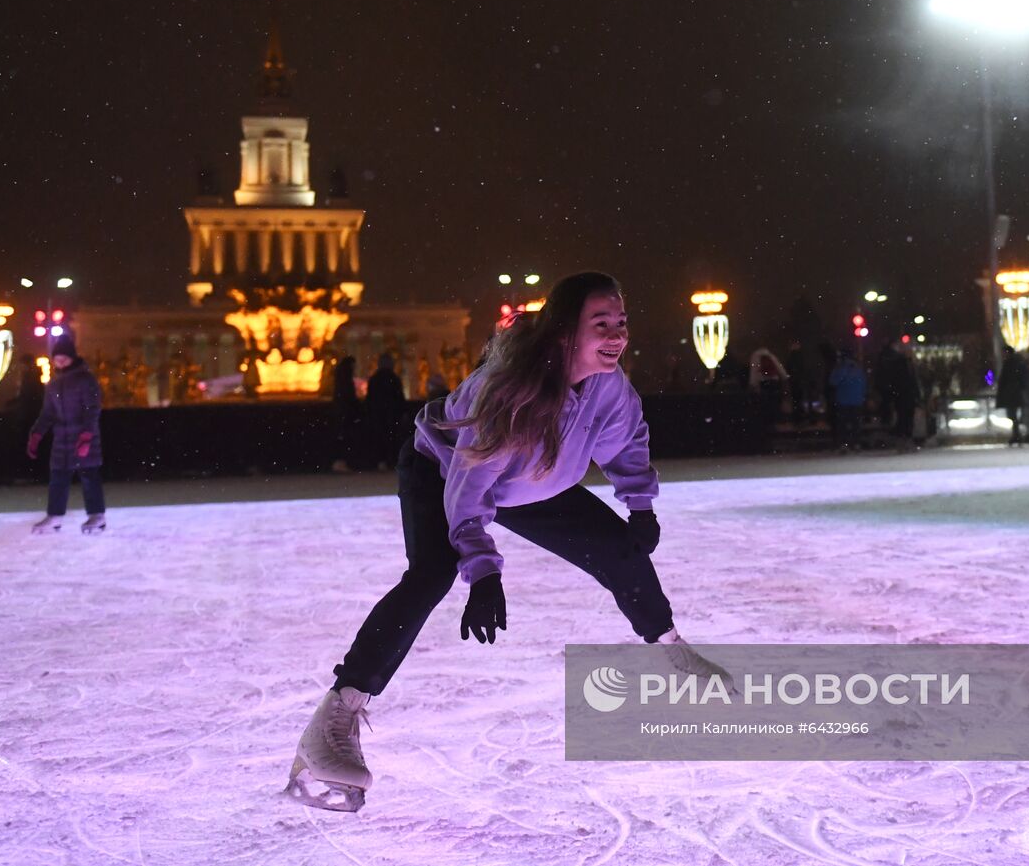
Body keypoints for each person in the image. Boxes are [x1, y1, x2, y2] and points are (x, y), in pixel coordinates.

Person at [286, 272, 733, 813]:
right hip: (445, 468)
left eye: (621, 322)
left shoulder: (610, 385)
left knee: (620, 550)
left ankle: (671, 650)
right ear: (566, 331)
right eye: (601, 324)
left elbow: (627, 441)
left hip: (536, 481)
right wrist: (484, 571)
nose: (616, 334)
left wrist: (640, 506)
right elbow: (469, 491)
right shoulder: (513, 393)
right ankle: (336, 714)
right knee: (432, 573)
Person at [27, 334, 106, 534]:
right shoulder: (53, 384)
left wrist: (87, 435)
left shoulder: (86, 380)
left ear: (72, 358)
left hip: (82, 438)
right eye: (57, 358)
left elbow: (93, 408)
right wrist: (37, 434)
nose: (60, 361)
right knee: (58, 478)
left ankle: (97, 516)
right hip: (61, 440)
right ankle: (55, 516)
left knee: (89, 476)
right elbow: (48, 413)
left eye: (64, 357)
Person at [364, 353, 407, 470]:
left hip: (378, 414)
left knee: (379, 438)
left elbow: (369, 398)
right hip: (391, 414)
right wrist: (402, 411)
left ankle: (381, 461)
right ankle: (391, 460)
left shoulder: (374, 379)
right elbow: (399, 398)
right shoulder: (394, 378)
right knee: (392, 438)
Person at [829, 348, 866, 452]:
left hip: (843, 400)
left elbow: (833, 382)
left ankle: (843, 444)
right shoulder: (858, 369)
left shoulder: (840, 369)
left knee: (842, 424)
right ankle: (856, 443)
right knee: (856, 424)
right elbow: (863, 384)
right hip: (857, 400)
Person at [995, 345, 1029, 447]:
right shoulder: (1014, 363)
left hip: (1012, 393)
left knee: (1012, 415)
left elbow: (1005, 379)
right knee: (1013, 415)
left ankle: (1016, 435)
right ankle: (1017, 435)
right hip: (1013, 393)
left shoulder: (1010, 364)